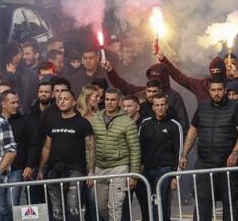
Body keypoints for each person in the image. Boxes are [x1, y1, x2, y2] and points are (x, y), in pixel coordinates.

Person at [181, 78, 238, 221]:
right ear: (209, 91)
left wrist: (235, 152)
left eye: (219, 90)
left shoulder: (235, 107)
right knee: (203, 203)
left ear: (225, 90)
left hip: (227, 164)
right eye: (213, 90)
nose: (216, 93)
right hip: (205, 164)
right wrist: (184, 153)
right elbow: (193, 130)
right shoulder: (203, 107)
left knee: (230, 203)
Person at [38, 89, 94, 221]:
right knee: (57, 210)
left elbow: (91, 147)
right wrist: (40, 169)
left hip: (76, 169)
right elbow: (46, 148)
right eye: (59, 99)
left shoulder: (83, 123)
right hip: (54, 170)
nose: (62, 102)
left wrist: (91, 171)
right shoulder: (53, 122)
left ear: (74, 102)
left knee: (73, 207)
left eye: (66, 99)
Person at [89, 89, 139, 221]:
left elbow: (135, 149)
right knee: (100, 206)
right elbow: (90, 146)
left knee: (115, 207)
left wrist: (134, 175)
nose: (109, 102)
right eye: (107, 99)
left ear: (119, 102)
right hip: (99, 167)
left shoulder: (127, 122)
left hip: (119, 167)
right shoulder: (96, 119)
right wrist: (90, 169)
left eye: (113, 100)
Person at [137, 94, 182, 221]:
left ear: (167, 106)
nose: (160, 107)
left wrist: (176, 176)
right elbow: (138, 148)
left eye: (162, 105)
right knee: (148, 205)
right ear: (153, 107)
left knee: (161, 205)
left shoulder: (174, 125)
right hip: (146, 171)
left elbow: (179, 151)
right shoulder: (145, 124)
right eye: (157, 105)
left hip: (165, 170)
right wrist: (137, 169)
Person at [1, 90, 38, 221]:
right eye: (13, 103)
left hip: (16, 169)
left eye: (17, 102)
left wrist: (29, 165)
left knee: (12, 203)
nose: (16, 105)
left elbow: (33, 144)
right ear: (3, 104)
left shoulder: (25, 122)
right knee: (0, 206)